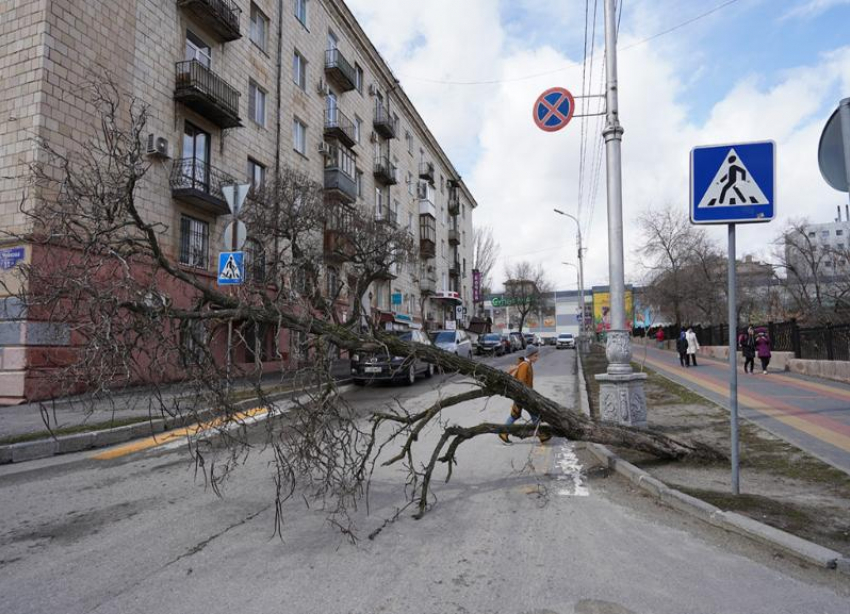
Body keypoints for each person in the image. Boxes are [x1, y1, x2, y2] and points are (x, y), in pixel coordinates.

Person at [499, 345, 551, 444]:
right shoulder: (525, 365)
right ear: (530, 355)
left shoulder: (528, 364)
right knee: (534, 415)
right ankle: (541, 435)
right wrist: (526, 396)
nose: (537, 358)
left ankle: (504, 432)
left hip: (524, 396)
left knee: (515, 415)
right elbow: (521, 383)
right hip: (523, 397)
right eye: (535, 356)